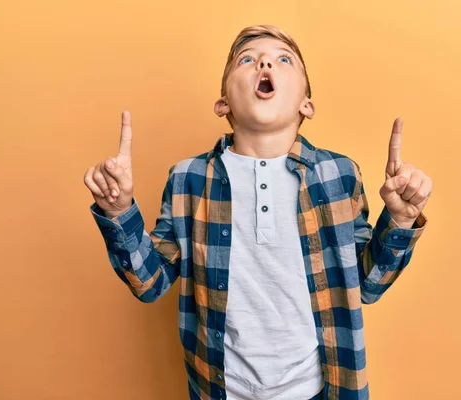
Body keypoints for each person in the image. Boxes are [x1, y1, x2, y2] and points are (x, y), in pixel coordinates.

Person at [83, 24, 432, 400]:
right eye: (246, 60)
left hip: (320, 390)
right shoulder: (189, 178)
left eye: (284, 60)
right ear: (223, 104)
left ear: (306, 104)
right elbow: (150, 284)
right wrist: (119, 212)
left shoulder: (339, 173)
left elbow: (367, 285)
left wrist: (401, 219)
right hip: (221, 391)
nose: (265, 61)